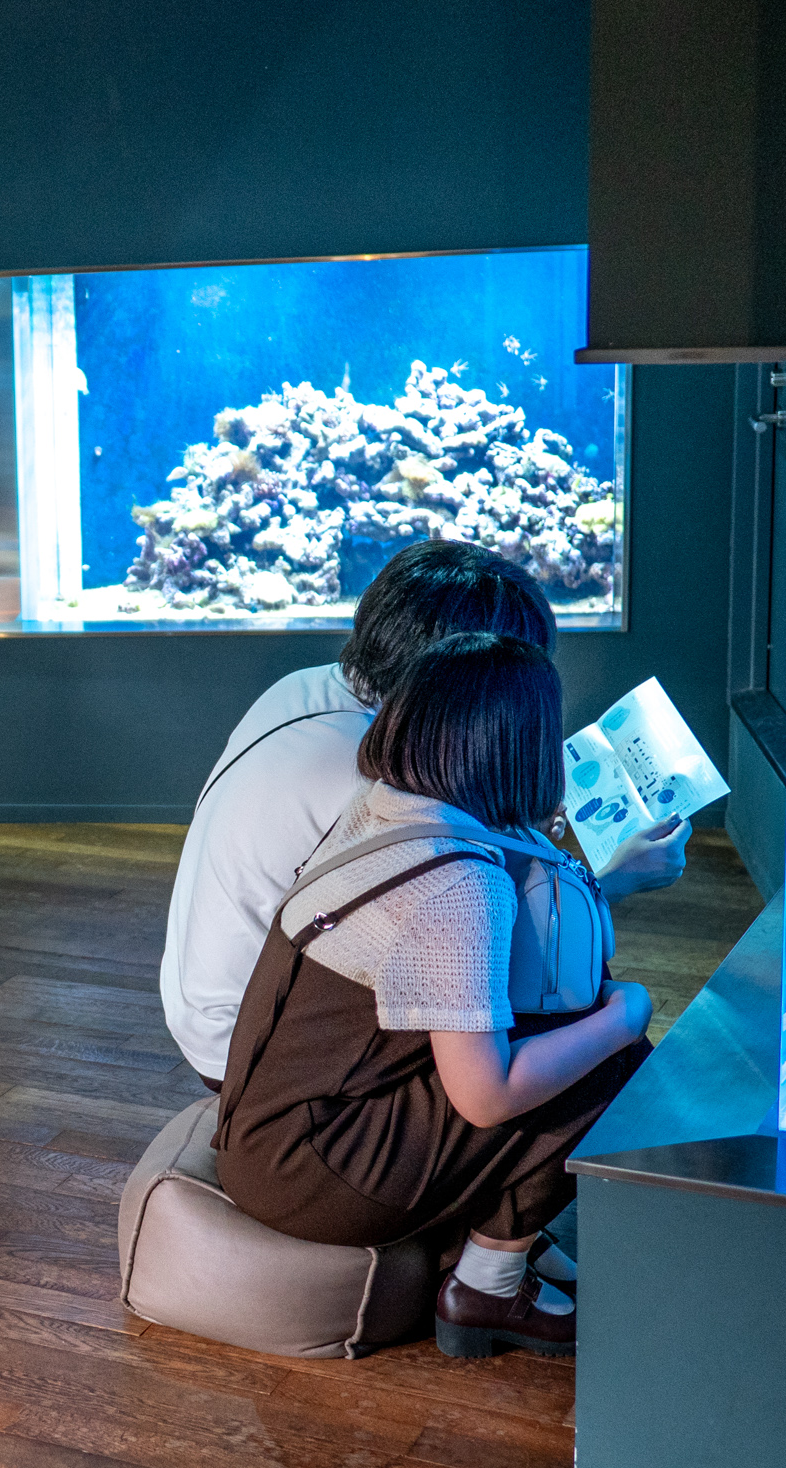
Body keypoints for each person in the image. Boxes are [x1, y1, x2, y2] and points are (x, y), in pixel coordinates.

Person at [212, 633, 653, 1359]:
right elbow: (486, 1096)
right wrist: (626, 1017)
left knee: (561, 1028)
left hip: (267, 1132)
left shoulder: (386, 806)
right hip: (313, 1171)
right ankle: (486, 1283)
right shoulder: (458, 881)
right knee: (613, 1061)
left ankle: (496, 1234)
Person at [160, 540, 688, 1091]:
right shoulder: (382, 782)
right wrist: (614, 881)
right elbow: (477, 933)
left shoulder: (305, 688)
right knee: (574, 1007)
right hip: (259, 1049)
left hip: (213, 1008)